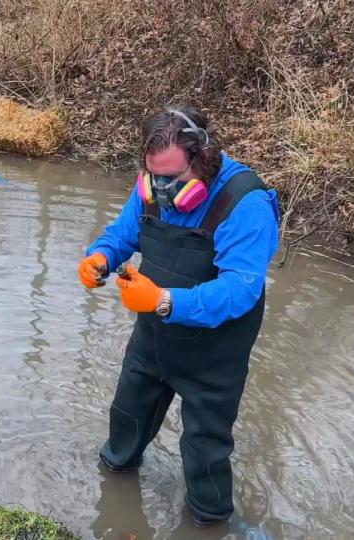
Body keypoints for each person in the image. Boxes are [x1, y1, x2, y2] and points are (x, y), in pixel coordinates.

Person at [78, 107, 280, 526]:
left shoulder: (244, 202)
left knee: (205, 453)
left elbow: (241, 289)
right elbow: (123, 233)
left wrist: (166, 301)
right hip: (151, 342)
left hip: (214, 356)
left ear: (202, 156)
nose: (162, 189)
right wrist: (99, 254)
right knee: (124, 428)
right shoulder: (151, 187)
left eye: (173, 178)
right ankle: (115, 507)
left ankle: (211, 525)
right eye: (155, 176)